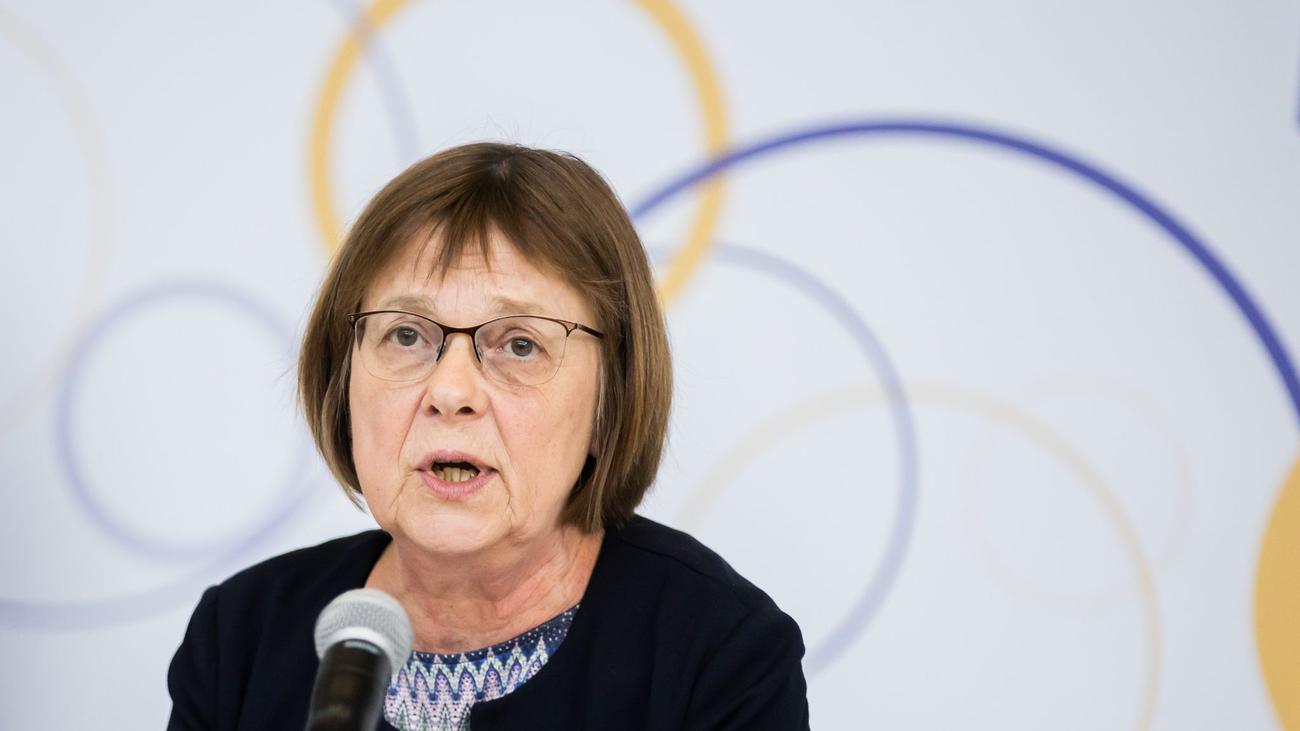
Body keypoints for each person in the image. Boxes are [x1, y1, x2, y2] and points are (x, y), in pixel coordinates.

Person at [166, 143, 809, 730]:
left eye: (520, 344)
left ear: (608, 401)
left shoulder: (720, 653)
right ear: (343, 377)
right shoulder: (241, 638)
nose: (450, 391)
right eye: (407, 335)